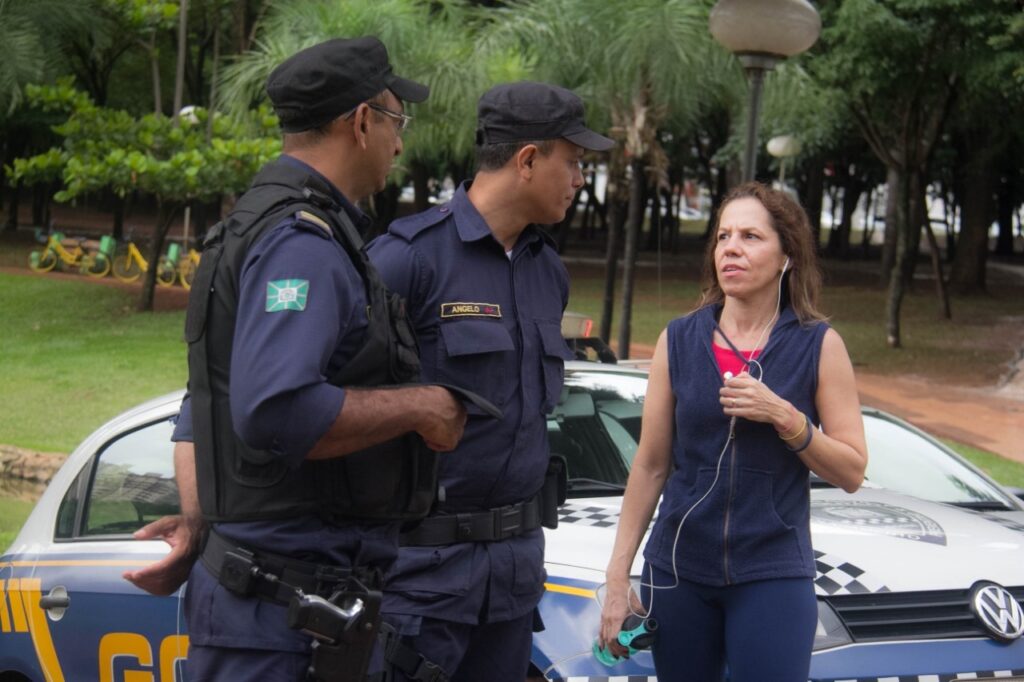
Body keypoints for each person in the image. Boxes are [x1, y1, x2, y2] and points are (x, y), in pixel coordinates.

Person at [122, 37, 470, 681]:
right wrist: (424, 405)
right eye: (396, 121)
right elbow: (275, 410)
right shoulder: (301, 244)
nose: (399, 143)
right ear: (362, 121)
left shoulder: (254, 226)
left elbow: (207, 402)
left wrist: (198, 523)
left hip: (273, 610)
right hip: (285, 620)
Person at [365, 81, 614, 681]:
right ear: (528, 160)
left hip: (512, 581)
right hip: (419, 581)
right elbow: (333, 400)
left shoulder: (546, 270)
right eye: (573, 161)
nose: (580, 179)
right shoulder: (408, 259)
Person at [598, 182, 868, 682]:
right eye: (723, 237)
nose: (731, 249)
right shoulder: (677, 340)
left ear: (787, 254)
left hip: (772, 573)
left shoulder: (819, 345)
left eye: (750, 236)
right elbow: (652, 464)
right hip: (677, 571)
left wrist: (786, 418)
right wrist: (618, 577)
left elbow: (852, 470)